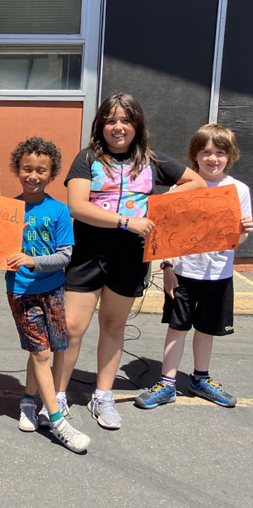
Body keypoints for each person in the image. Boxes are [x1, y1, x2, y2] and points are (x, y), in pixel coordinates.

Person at [57, 92, 205, 430]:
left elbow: (195, 182)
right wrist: (127, 221)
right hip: (88, 252)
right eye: (110, 120)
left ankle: (103, 396)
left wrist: (158, 204)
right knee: (72, 327)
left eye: (125, 120)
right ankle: (58, 396)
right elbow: (78, 206)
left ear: (137, 125)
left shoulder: (151, 161)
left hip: (131, 256)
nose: (118, 127)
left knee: (113, 327)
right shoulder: (87, 158)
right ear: (100, 125)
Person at [136, 124, 252, 409]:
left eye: (220, 153)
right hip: (184, 273)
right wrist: (167, 268)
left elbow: (239, 237)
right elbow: (164, 233)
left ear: (230, 156)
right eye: (206, 152)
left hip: (219, 274)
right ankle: (167, 383)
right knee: (177, 327)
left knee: (206, 329)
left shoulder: (239, 190)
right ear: (195, 156)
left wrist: (244, 229)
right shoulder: (182, 187)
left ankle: (201, 379)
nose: (213, 159)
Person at [5, 137, 90, 453]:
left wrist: (33, 261)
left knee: (47, 349)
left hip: (52, 290)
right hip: (21, 291)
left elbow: (65, 255)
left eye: (41, 170)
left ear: (52, 174)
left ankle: (29, 400)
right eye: (27, 168)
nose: (33, 175)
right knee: (40, 352)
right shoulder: (9, 209)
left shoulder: (59, 211)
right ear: (17, 169)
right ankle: (57, 421)